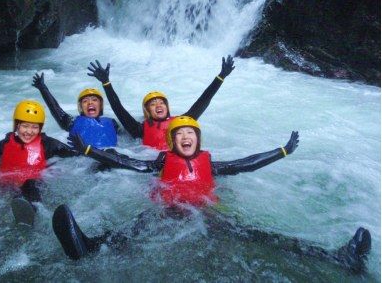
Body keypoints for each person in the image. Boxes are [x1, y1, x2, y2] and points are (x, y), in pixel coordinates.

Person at [52, 117, 371, 273]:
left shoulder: (211, 164)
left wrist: (282, 151)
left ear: (198, 140)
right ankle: (88, 247)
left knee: (257, 235)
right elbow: (124, 161)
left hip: (204, 215)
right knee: (135, 226)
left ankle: (338, 258)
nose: (187, 137)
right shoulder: (160, 164)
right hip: (169, 211)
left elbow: (245, 164)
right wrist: (91, 150)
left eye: (192, 134)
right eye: (181, 134)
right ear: (172, 141)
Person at [87, 56, 235, 150]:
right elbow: (119, 110)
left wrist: (221, 77)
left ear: (167, 107)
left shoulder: (180, 123)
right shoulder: (140, 129)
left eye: (161, 103)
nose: (158, 105)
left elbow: (203, 101)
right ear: (147, 111)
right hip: (150, 163)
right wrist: (106, 83)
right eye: (153, 104)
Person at [32, 72, 119, 149]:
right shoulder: (71, 122)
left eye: (94, 100)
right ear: (81, 107)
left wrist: (106, 82)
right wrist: (43, 88)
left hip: (112, 159)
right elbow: (55, 108)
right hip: (83, 163)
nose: (90, 103)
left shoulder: (113, 123)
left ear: (101, 105)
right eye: (85, 101)